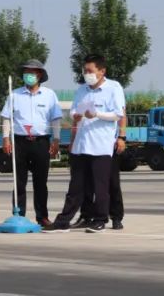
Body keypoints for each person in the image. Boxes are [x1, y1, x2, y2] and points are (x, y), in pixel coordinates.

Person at [45, 54, 126, 233]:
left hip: (101, 146)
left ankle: (100, 219)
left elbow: (117, 114)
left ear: (102, 71)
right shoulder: (82, 90)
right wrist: (76, 115)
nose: (86, 74)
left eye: (90, 71)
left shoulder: (113, 88)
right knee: (76, 187)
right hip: (82, 145)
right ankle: (63, 221)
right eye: (85, 71)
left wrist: (97, 114)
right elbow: (74, 109)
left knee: (101, 186)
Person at [0, 60, 62, 226]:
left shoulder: (50, 95)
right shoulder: (15, 95)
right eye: (26, 71)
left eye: (32, 72)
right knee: (19, 181)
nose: (28, 75)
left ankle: (42, 216)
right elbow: (7, 117)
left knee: (40, 182)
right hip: (19, 142)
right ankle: (18, 214)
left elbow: (56, 119)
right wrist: (6, 138)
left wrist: (56, 139)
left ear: (39, 75)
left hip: (41, 142)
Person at [76, 112, 126, 230]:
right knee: (87, 182)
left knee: (112, 182)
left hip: (109, 144)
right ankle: (86, 216)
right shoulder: (86, 93)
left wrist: (122, 137)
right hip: (89, 144)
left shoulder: (114, 93)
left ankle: (116, 217)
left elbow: (122, 115)